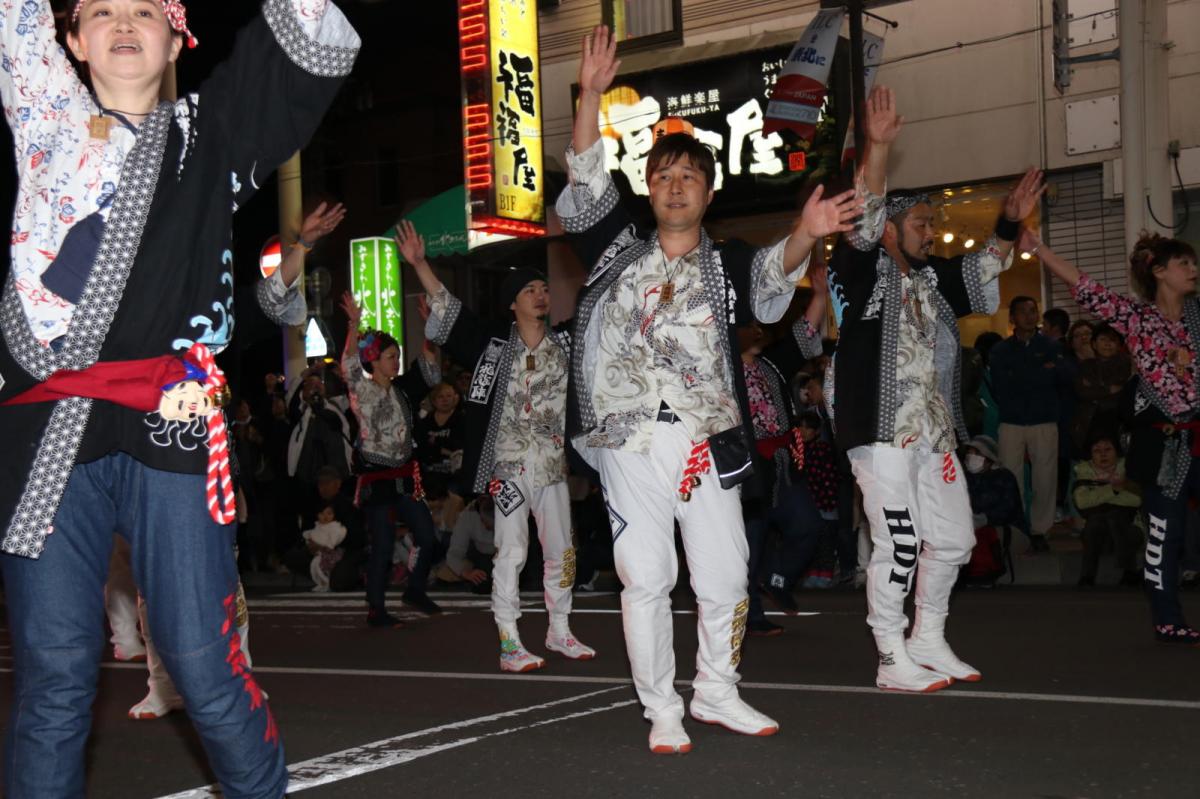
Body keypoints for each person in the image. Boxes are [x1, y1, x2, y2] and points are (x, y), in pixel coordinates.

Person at [0, 1, 358, 795]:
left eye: (144, 10)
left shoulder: (211, 131)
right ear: (70, 39)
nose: (124, 24)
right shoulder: (44, 110)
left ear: (176, 39)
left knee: (202, 657)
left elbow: (296, 41)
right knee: (54, 672)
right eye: (100, 10)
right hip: (47, 424)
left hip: (171, 416)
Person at [558, 26, 860, 754]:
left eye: (688, 176)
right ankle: (662, 708)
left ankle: (718, 690)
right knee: (647, 575)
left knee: (724, 574)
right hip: (629, 436)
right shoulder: (615, 250)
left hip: (707, 437)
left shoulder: (727, 263)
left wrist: (805, 231)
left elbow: (770, 285)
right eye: (663, 175)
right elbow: (586, 176)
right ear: (648, 187)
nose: (675, 185)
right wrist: (591, 95)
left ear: (708, 191)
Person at [826, 85, 1043, 691]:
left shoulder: (930, 282)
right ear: (889, 232)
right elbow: (864, 221)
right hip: (879, 432)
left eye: (932, 224)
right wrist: (877, 148)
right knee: (899, 542)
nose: (932, 233)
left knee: (951, 540)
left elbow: (986, 262)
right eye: (922, 224)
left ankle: (928, 639)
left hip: (932, 431)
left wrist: (1008, 219)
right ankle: (890, 654)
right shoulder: (860, 271)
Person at [400, 220, 597, 671]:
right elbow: (450, 311)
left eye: (543, 288)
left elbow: (598, 312)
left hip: (552, 465)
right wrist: (420, 264)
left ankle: (559, 630)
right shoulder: (491, 344)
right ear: (512, 302)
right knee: (512, 550)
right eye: (529, 290)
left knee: (562, 550)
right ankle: (509, 641)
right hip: (507, 466)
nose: (540, 295)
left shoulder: (565, 342)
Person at [1021, 229, 1200, 642]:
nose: (1193, 269)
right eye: (1184, 263)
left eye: (1193, 263)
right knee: (1165, 533)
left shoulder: (1196, 316)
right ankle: (1168, 619)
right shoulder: (1136, 317)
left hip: (1198, 433)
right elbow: (1086, 287)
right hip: (1164, 442)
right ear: (1159, 272)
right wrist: (1040, 249)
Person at [338, 292, 443, 626]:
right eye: (390, 357)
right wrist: (353, 324)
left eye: (397, 356)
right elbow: (348, 363)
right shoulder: (362, 389)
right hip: (376, 478)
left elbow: (429, 368)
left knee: (427, 536)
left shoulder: (404, 389)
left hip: (405, 475)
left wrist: (429, 329)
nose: (396, 362)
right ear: (373, 360)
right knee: (383, 546)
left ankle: (415, 589)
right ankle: (376, 609)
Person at [738, 262, 828, 634]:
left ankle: (776, 578)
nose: (758, 330)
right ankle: (750, 616)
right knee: (751, 542)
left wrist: (820, 295)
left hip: (781, 463)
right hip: (745, 466)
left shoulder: (771, 365)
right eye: (750, 324)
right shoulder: (720, 368)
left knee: (808, 524)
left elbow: (803, 335)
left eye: (760, 325)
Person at [989, 296, 1061, 551]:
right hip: (1012, 420)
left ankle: (1041, 530)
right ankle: (1016, 527)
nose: (1030, 316)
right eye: (1023, 312)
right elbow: (1001, 385)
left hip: (1044, 419)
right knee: (1011, 477)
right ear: (1012, 318)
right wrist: (1039, 372)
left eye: (1033, 310)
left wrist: (1021, 375)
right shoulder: (1000, 349)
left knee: (1045, 477)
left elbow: (1058, 379)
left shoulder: (1051, 345)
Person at [1072, 434, 1143, 587]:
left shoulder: (1129, 469)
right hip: (1098, 535)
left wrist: (1099, 497)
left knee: (1113, 516)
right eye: (1097, 450)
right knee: (1096, 522)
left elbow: (1137, 499)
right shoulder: (1084, 472)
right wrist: (1114, 489)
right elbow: (1082, 502)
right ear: (1091, 455)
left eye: (1108, 449)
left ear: (1117, 452)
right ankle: (1088, 576)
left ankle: (1129, 572)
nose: (1103, 454)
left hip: (1131, 531)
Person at [1072, 323, 1132, 450]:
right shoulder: (1086, 366)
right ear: (1094, 344)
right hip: (1091, 419)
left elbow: (1123, 389)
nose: (1107, 344)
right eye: (1103, 339)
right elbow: (1082, 392)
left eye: (1112, 340)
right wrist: (1108, 389)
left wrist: (1095, 386)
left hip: (1119, 419)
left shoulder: (1127, 363)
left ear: (1119, 345)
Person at [415, 381, 466, 497]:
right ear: (434, 400)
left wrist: (436, 442)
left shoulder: (462, 419)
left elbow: (458, 445)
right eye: (440, 396)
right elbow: (422, 447)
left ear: (455, 399)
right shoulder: (425, 421)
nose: (445, 400)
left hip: (453, 476)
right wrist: (443, 449)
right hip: (428, 474)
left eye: (449, 396)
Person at [302, 504, 347, 592]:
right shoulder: (318, 526)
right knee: (314, 566)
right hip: (318, 553)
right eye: (322, 514)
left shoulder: (335, 527)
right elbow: (310, 535)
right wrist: (310, 541)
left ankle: (327, 583)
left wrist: (317, 545)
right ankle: (321, 583)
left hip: (331, 555)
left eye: (329, 514)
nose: (325, 516)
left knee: (320, 566)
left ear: (334, 515)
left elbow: (330, 545)